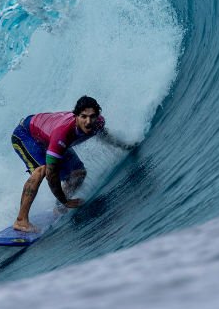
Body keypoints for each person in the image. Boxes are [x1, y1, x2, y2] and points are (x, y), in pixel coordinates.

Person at [10, 95, 134, 232]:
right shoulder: (62, 134)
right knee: (42, 170)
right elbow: (52, 175)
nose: (88, 121)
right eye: (83, 116)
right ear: (76, 116)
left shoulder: (98, 123)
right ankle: (21, 221)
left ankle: (58, 208)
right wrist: (65, 200)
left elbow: (106, 137)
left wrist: (125, 146)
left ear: (98, 116)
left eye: (92, 116)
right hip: (26, 135)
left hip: (47, 136)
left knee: (79, 174)